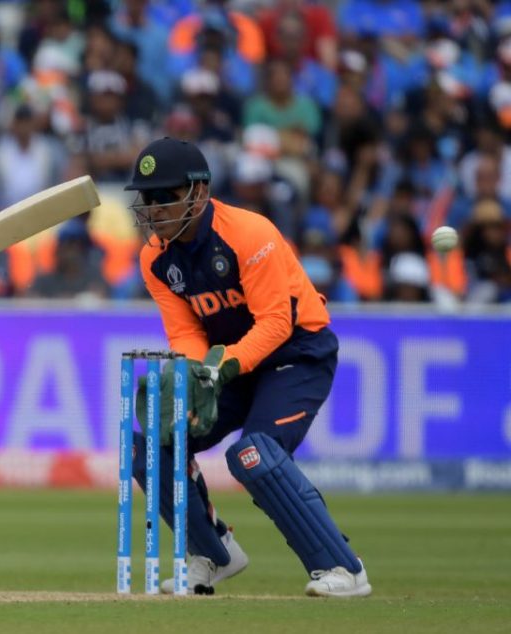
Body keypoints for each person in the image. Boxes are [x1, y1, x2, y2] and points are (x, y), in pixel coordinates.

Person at [125, 137, 371, 598]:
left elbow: (278, 322)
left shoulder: (249, 233)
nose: (153, 209)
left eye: (165, 197)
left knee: (254, 453)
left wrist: (222, 366)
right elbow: (186, 334)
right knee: (151, 443)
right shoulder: (155, 259)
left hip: (297, 354)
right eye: (147, 198)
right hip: (229, 365)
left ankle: (343, 568)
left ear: (198, 192)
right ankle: (214, 553)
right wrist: (195, 374)